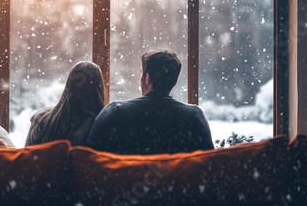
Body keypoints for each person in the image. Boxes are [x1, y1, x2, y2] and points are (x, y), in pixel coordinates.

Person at [85, 49, 214, 155]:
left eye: (142, 74)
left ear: (147, 78)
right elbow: (208, 164)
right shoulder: (194, 117)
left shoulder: (114, 112)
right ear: (175, 82)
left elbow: (90, 159)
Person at [25, 61, 105, 146]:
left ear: (69, 85)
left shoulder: (40, 118)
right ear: (98, 89)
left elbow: (26, 155)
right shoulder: (100, 126)